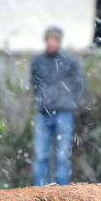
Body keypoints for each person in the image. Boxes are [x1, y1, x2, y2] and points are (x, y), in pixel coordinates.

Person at [30, 26, 84, 186]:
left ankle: (62, 191)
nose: (51, 42)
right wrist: (42, 99)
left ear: (59, 41)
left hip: (64, 113)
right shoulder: (38, 61)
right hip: (43, 112)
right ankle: (39, 191)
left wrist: (69, 101)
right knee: (40, 154)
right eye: (49, 39)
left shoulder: (70, 61)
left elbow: (78, 85)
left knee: (62, 155)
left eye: (54, 39)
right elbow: (34, 82)